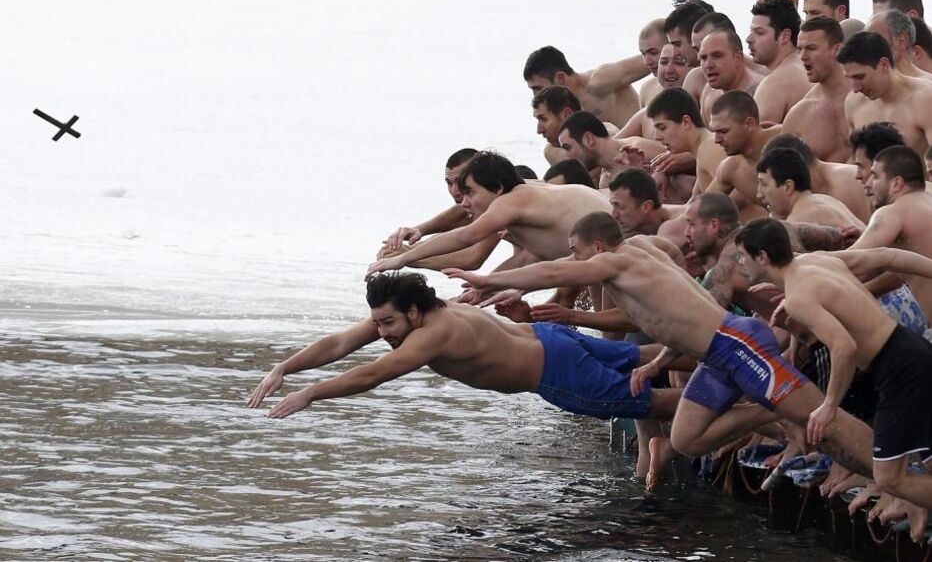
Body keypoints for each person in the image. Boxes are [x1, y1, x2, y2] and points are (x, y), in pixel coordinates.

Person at [444, 223, 874, 490]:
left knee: (825, 421)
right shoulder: (640, 252)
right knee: (686, 440)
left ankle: (890, 473)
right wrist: (656, 364)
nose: (574, 260)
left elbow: (553, 271)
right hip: (720, 353)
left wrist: (485, 279)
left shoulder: (616, 263)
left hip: (737, 346)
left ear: (597, 248)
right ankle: (767, 412)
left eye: (576, 251)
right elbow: (679, 318)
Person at [248, 271, 683, 424]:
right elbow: (341, 342)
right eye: (377, 323)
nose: (381, 332)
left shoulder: (432, 335)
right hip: (551, 339)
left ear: (413, 312)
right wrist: (285, 368)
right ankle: (715, 353)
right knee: (647, 356)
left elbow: (374, 373)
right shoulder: (428, 310)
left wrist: (311, 393)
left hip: (555, 372)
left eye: (387, 323)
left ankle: (724, 401)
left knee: (652, 404)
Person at [736, 218, 932, 542]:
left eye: (743, 256)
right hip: (912, 349)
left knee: (888, 477)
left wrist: (829, 405)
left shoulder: (798, 295)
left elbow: (844, 347)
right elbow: (887, 256)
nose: (740, 263)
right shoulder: (817, 262)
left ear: (763, 257)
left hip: (899, 370)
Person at [366, 151, 612, 277]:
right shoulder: (519, 190)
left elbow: (467, 239)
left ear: (496, 187)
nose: (462, 199)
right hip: (601, 244)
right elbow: (462, 215)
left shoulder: (511, 202)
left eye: (469, 191)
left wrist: (404, 258)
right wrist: (420, 230)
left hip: (615, 240)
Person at [850, 145, 932, 329]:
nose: (869, 182)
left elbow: (855, 258)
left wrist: (804, 262)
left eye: (875, 176)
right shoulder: (927, 196)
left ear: (896, 183)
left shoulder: (893, 212)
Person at [379, 149, 502, 272]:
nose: (454, 192)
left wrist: (406, 258)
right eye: (449, 183)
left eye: (461, 182)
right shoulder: (484, 200)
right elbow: (462, 217)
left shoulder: (502, 201)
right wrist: (418, 232)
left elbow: (472, 257)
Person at [839, 31, 932, 158]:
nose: (855, 88)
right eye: (850, 78)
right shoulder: (854, 103)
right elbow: (857, 161)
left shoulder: (925, 99)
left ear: (883, 64)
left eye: (859, 77)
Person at [523, 45, 648, 129]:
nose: (536, 96)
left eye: (538, 89)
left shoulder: (601, 81)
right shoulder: (561, 114)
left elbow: (653, 57)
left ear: (560, 78)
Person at [782, 17, 853, 163]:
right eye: (800, 49)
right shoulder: (799, 115)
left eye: (811, 48)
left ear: (837, 49)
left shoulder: (868, 97)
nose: (803, 57)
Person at [761, 133, 872, 222]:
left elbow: (872, 238)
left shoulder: (848, 184)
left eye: (765, 184)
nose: (759, 194)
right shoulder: (798, 200)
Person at [705, 90, 779, 222]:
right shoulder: (732, 168)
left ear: (749, 125)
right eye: (715, 132)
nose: (716, 140)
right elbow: (701, 209)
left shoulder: (788, 139)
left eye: (723, 131)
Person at [646, 87, 725, 195]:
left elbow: (742, 196)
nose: (656, 137)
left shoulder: (709, 148)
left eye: (662, 128)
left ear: (685, 122)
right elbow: (694, 203)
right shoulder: (702, 150)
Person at [747, 0, 810, 123]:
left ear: (785, 36)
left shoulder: (774, 86)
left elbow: (757, 135)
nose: (749, 39)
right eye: (751, 31)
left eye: (759, 32)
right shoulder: (808, 67)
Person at [618, 42, 691, 140]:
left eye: (679, 62)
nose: (669, 70)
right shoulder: (648, 91)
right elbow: (616, 144)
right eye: (663, 62)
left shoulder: (702, 100)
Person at [698, 29, 764, 123]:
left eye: (717, 56)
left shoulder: (760, 92)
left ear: (738, 58)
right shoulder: (709, 92)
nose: (708, 65)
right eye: (703, 58)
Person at [866, 9, 932, 80]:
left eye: (875, 42)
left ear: (901, 41)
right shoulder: (869, 84)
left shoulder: (928, 84)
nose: (868, 50)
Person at [532, 85, 582, 166]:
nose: (539, 130)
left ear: (567, 115)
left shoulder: (604, 134)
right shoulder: (550, 151)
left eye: (544, 119)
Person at [638, 18, 668, 107]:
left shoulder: (691, 84)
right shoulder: (647, 89)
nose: (647, 62)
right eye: (643, 54)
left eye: (653, 53)